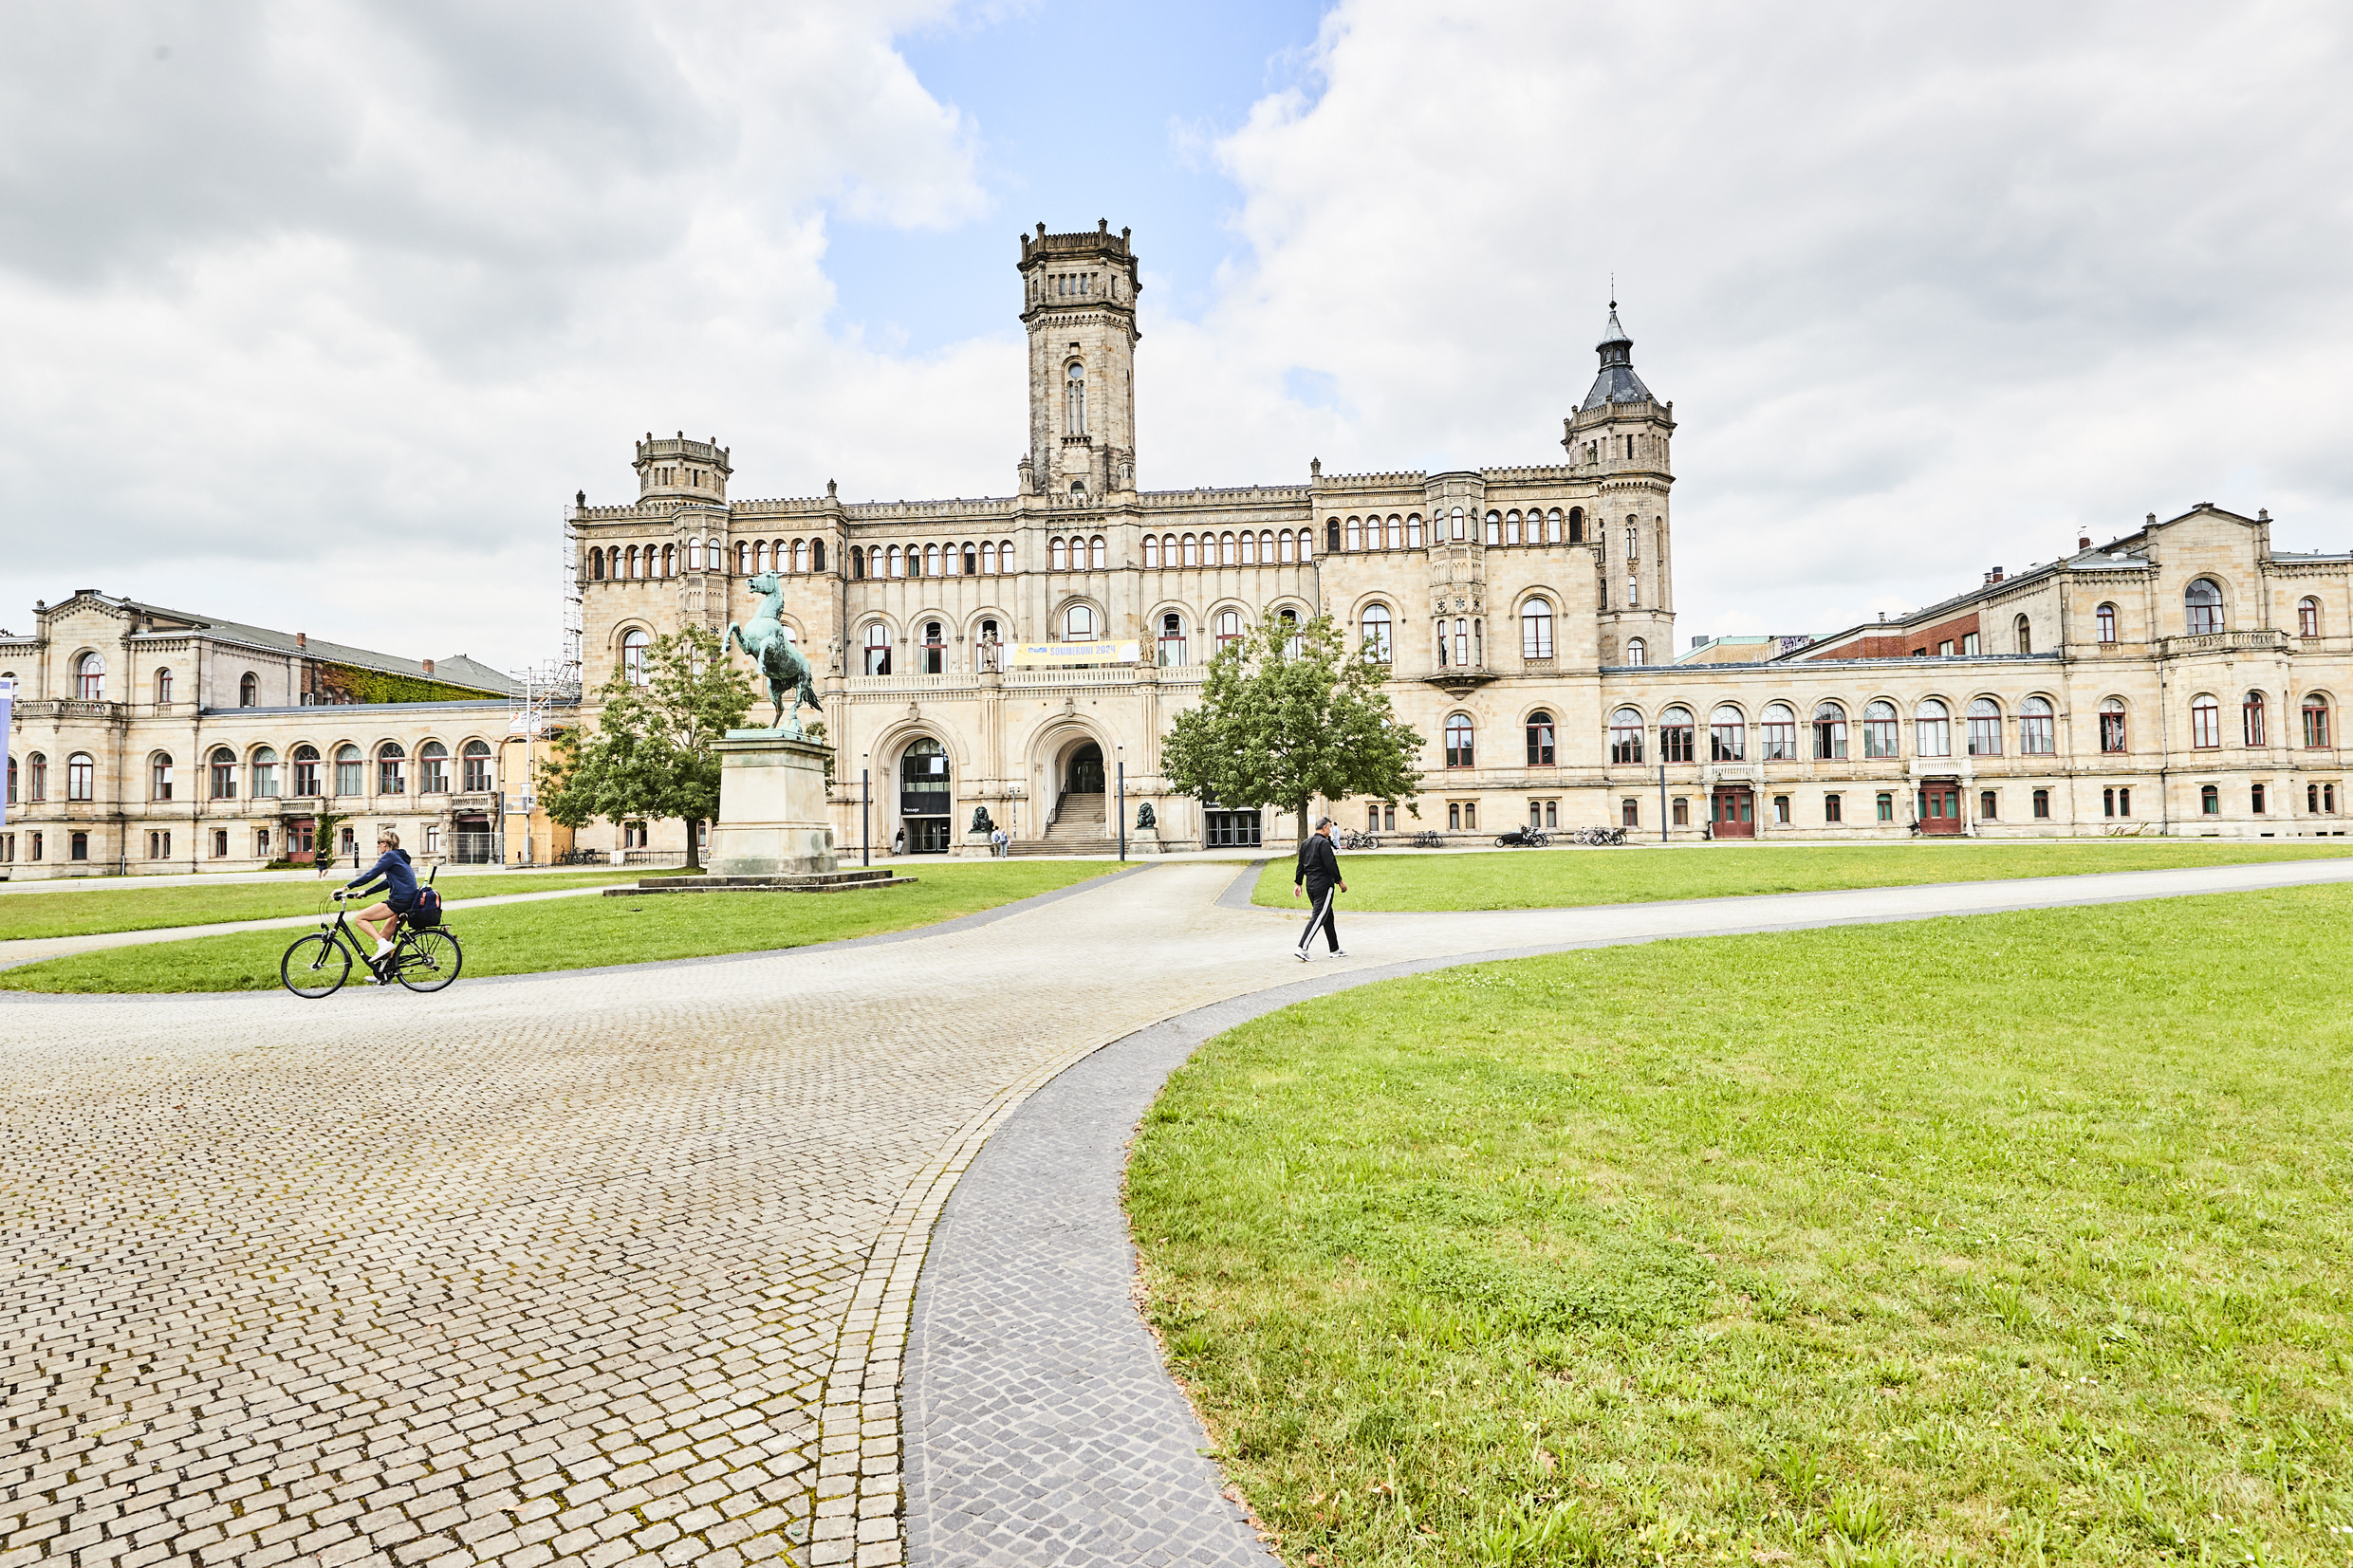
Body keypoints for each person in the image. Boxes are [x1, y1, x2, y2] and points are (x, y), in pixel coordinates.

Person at [338, 828, 417, 976]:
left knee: (360, 919)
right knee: (385, 935)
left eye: (379, 843)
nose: (378, 846)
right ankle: (385, 974)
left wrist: (347, 887)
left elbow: (371, 874)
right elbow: (388, 881)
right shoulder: (399, 857)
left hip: (400, 900)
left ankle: (383, 946)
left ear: (386, 844)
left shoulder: (390, 856)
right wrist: (366, 892)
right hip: (409, 900)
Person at [1292, 815, 1347, 961]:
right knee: (1319, 916)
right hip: (1324, 885)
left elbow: (1300, 865)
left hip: (1311, 885)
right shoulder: (1323, 844)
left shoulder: (1306, 843)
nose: (1331, 830)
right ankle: (1302, 948)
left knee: (1327, 916)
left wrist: (1298, 883)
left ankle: (1334, 949)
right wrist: (1340, 882)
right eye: (1329, 827)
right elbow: (1331, 865)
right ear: (1324, 828)